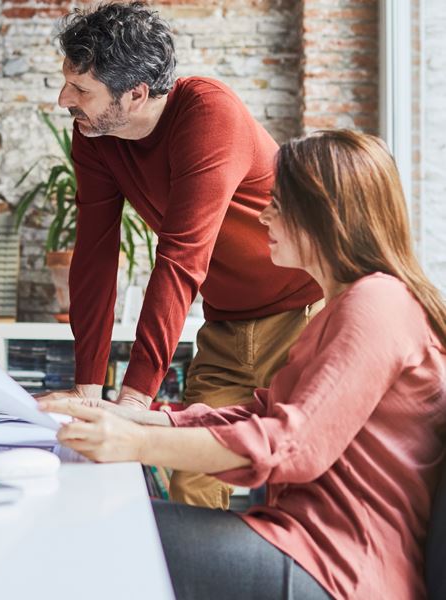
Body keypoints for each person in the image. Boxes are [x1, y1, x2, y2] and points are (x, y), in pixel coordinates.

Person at [40, 129, 446, 599]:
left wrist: (136, 443)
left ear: (324, 213)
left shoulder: (377, 304)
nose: (263, 213)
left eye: (279, 201)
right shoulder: (346, 305)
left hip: (339, 566)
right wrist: (138, 417)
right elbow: (260, 414)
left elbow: (290, 444)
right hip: (304, 543)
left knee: (99, 528)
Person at [37, 1, 323, 509]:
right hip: (227, 329)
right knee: (192, 485)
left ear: (137, 93)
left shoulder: (209, 113)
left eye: (81, 89)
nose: (65, 100)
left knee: (302, 480)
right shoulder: (96, 135)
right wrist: (87, 390)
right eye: (68, 83)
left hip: (303, 319)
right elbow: (96, 256)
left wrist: (130, 404)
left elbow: (181, 258)